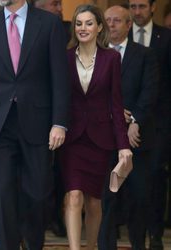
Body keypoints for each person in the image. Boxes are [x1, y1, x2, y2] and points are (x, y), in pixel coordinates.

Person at [0, 0, 70, 249]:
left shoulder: (49, 24)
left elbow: (60, 78)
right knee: (2, 195)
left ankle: (33, 244)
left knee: (38, 194)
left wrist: (59, 123)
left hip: (39, 123)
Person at [58, 4, 132, 250]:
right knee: (74, 196)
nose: (83, 28)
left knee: (93, 202)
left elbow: (116, 104)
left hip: (100, 140)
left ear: (99, 27)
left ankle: (90, 246)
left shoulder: (112, 59)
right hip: (72, 139)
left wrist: (123, 146)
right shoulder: (65, 58)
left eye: (89, 23)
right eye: (78, 23)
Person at [98, 5, 159, 250]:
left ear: (128, 24)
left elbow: (150, 92)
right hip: (102, 139)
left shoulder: (144, 55)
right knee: (106, 200)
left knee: (138, 198)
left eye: (116, 21)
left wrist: (134, 121)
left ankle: (138, 245)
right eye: (107, 21)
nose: (111, 25)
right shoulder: (94, 54)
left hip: (136, 141)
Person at [128, 0, 171, 249]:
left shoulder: (165, 38)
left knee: (155, 177)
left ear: (153, 8)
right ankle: (130, 229)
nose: (137, 12)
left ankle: (154, 233)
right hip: (125, 121)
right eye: (133, 6)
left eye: (142, 6)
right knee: (127, 177)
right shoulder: (122, 36)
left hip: (159, 123)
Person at [32, 0, 70, 237]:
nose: (59, 8)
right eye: (53, 3)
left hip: (63, 113)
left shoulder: (67, 29)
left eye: (60, 3)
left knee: (61, 171)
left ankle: (56, 217)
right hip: (34, 114)